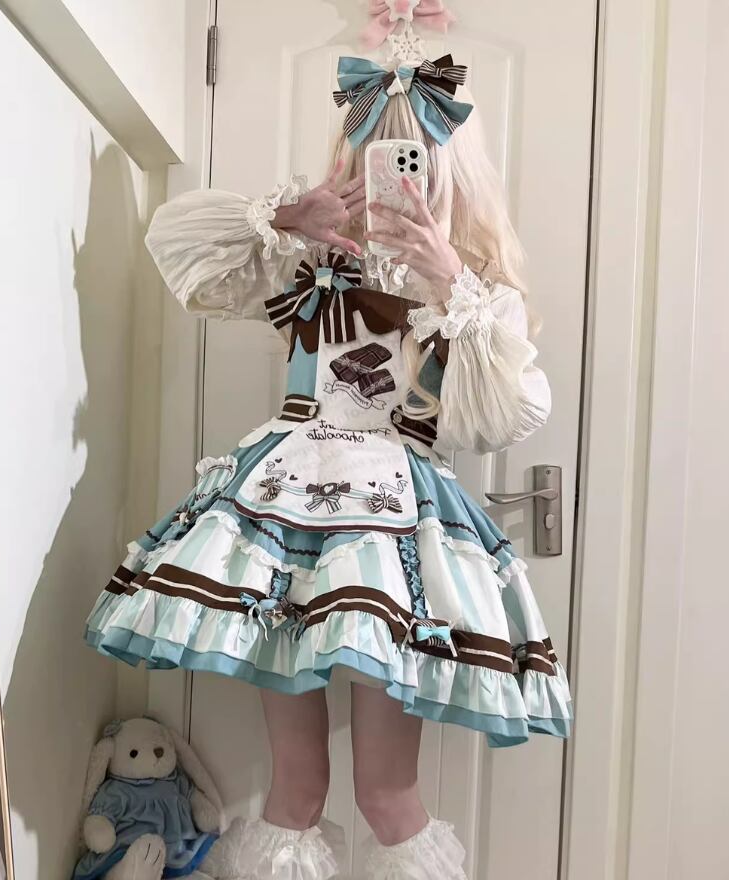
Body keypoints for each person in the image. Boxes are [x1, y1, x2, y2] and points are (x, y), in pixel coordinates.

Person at [84, 54, 572, 880]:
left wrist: (451, 283)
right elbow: (175, 241)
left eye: (414, 157)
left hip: (394, 538)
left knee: (388, 794)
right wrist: (286, 216)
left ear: (448, 168)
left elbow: (507, 416)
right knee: (297, 785)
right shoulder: (310, 258)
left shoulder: (478, 296)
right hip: (281, 523)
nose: (395, 174)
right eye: (375, 153)